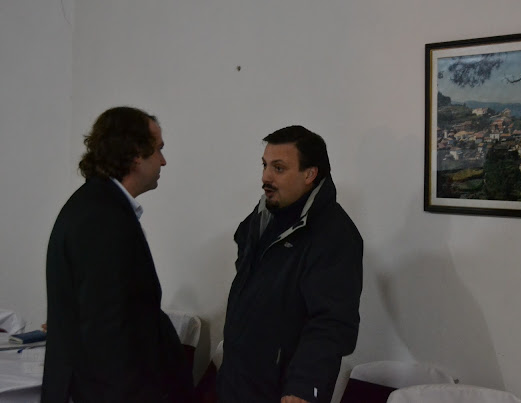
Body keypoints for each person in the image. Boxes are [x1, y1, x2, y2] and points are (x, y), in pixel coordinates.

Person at [42, 106, 193, 403]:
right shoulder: (103, 216)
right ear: (136, 154)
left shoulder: (98, 205)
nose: (163, 160)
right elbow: (107, 328)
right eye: (158, 149)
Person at [217, 125, 363, 403]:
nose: (265, 177)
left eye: (279, 168)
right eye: (265, 165)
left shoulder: (335, 235)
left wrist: (304, 387)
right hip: (238, 381)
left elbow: (332, 322)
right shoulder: (262, 219)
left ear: (310, 174)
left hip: (285, 390)